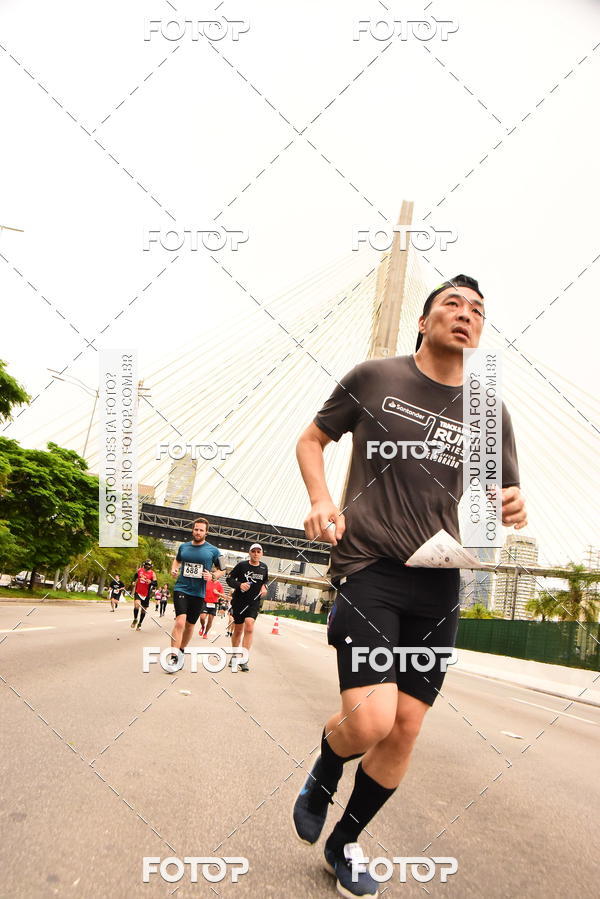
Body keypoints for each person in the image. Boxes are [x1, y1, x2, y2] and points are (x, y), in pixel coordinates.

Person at [292, 275, 527, 897]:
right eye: (452, 303)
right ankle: (325, 765)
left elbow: (503, 494)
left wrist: (512, 504)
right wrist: (321, 500)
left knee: (406, 728)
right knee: (370, 722)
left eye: (478, 309)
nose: (466, 314)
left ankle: (345, 842)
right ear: (423, 322)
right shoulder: (374, 378)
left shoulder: (488, 410)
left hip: (440, 582)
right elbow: (312, 439)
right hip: (369, 567)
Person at [168, 518, 225, 665]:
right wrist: (173, 569)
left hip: (198, 593)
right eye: (196, 529)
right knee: (180, 622)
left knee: (190, 625)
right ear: (192, 530)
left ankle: (181, 650)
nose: (198, 532)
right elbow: (177, 560)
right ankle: (173, 656)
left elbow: (223, 569)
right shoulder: (184, 547)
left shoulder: (214, 551)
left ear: (206, 532)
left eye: (201, 530)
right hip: (181, 588)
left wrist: (212, 576)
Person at [226, 544, 269, 672]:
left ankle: (244, 659)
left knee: (249, 626)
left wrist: (264, 587)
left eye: (258, 551)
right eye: (253, 551)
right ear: (249, 553)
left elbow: (265, 581)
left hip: (253, 602)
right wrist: (240, 585)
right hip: (239, 601)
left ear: (262, 554)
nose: (256, 554)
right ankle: (234, 655)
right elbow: (229, 579)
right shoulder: (242, 565)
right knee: (238, 630)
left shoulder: (263, 567)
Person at [130, 560, 157, 631]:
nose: (148, 566)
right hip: (138, 591)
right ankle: (135, 619)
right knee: (136, 605)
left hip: (146, 593)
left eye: (149, 565)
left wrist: (151, 582)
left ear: (151, 566)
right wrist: (133, 581)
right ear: (144, 564)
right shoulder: (140, 570)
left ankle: (140, 623)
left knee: (143, 610)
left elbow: (155, 583)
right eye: (147, 564)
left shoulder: (152, 573)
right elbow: (135, 576)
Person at [199, 571, 225, 638]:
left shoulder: (219, 585)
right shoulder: (207, 582)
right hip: (205, 602)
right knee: (202, 617)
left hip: (214, 603)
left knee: (210, 620)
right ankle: (202, 626)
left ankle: (205, 633)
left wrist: (218, 593)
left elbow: (223, 596)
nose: (213, 577)